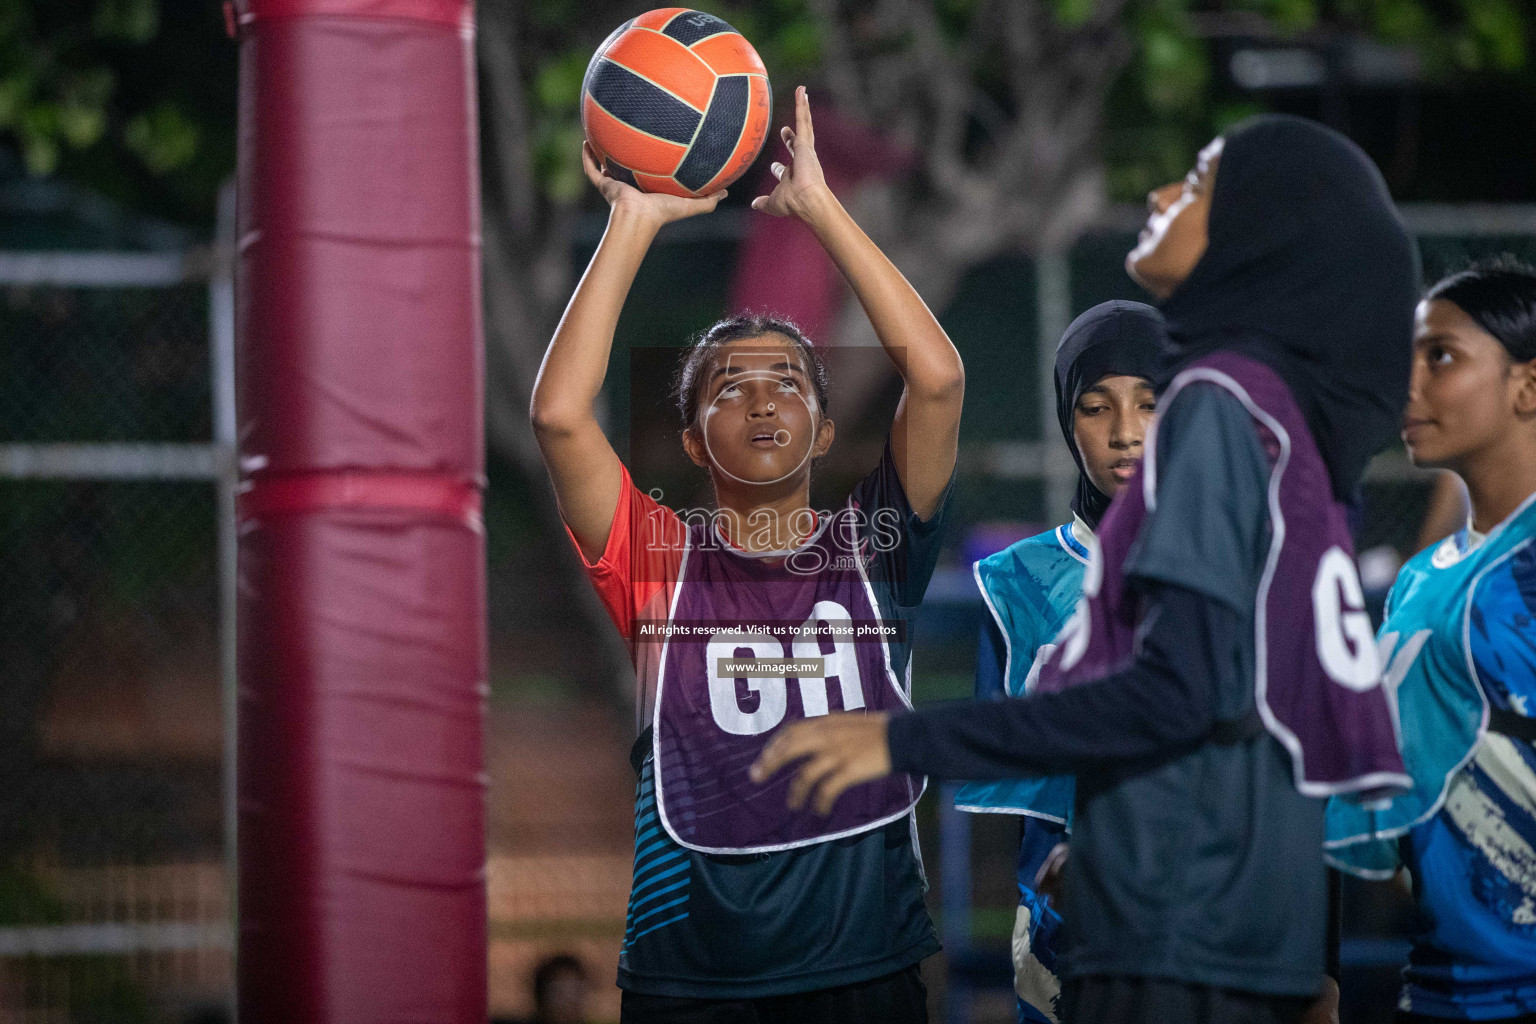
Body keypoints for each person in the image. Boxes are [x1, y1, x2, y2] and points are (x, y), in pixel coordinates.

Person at [753, 113, 1417, 1024]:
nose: (1158, 194)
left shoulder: (1225, 415)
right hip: (1227, 926)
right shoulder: (1281, 437)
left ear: (1251, 240)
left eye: (1196, 183)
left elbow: (1173, 694)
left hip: (1184, 934)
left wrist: (906, 741)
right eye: (1098, 408)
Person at [529, 87, 963, 1023]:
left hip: (864, 963)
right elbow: (561, 415)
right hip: (693, 973)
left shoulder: (876, 545)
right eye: (730, 388)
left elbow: (938, 379)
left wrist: (818, 208)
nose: (762, 402)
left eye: (786, 385)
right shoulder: (658, 561)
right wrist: (633, 223)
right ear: (692, 441)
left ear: (819, 429)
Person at [1325, 260, 1536, 1021]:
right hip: (1442, 987)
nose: (1406, 385)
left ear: (1528, 387)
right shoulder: (1421, 578)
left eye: (1439, 357)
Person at [954, 301, 1164, 1023]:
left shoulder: (1242, 565)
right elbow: (1010, 806)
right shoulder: (1014, 584)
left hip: (1213, 928)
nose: (1125, 432)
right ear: (1066, 420)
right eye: (1096, 406)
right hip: (1062, 943)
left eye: (1150, 403)